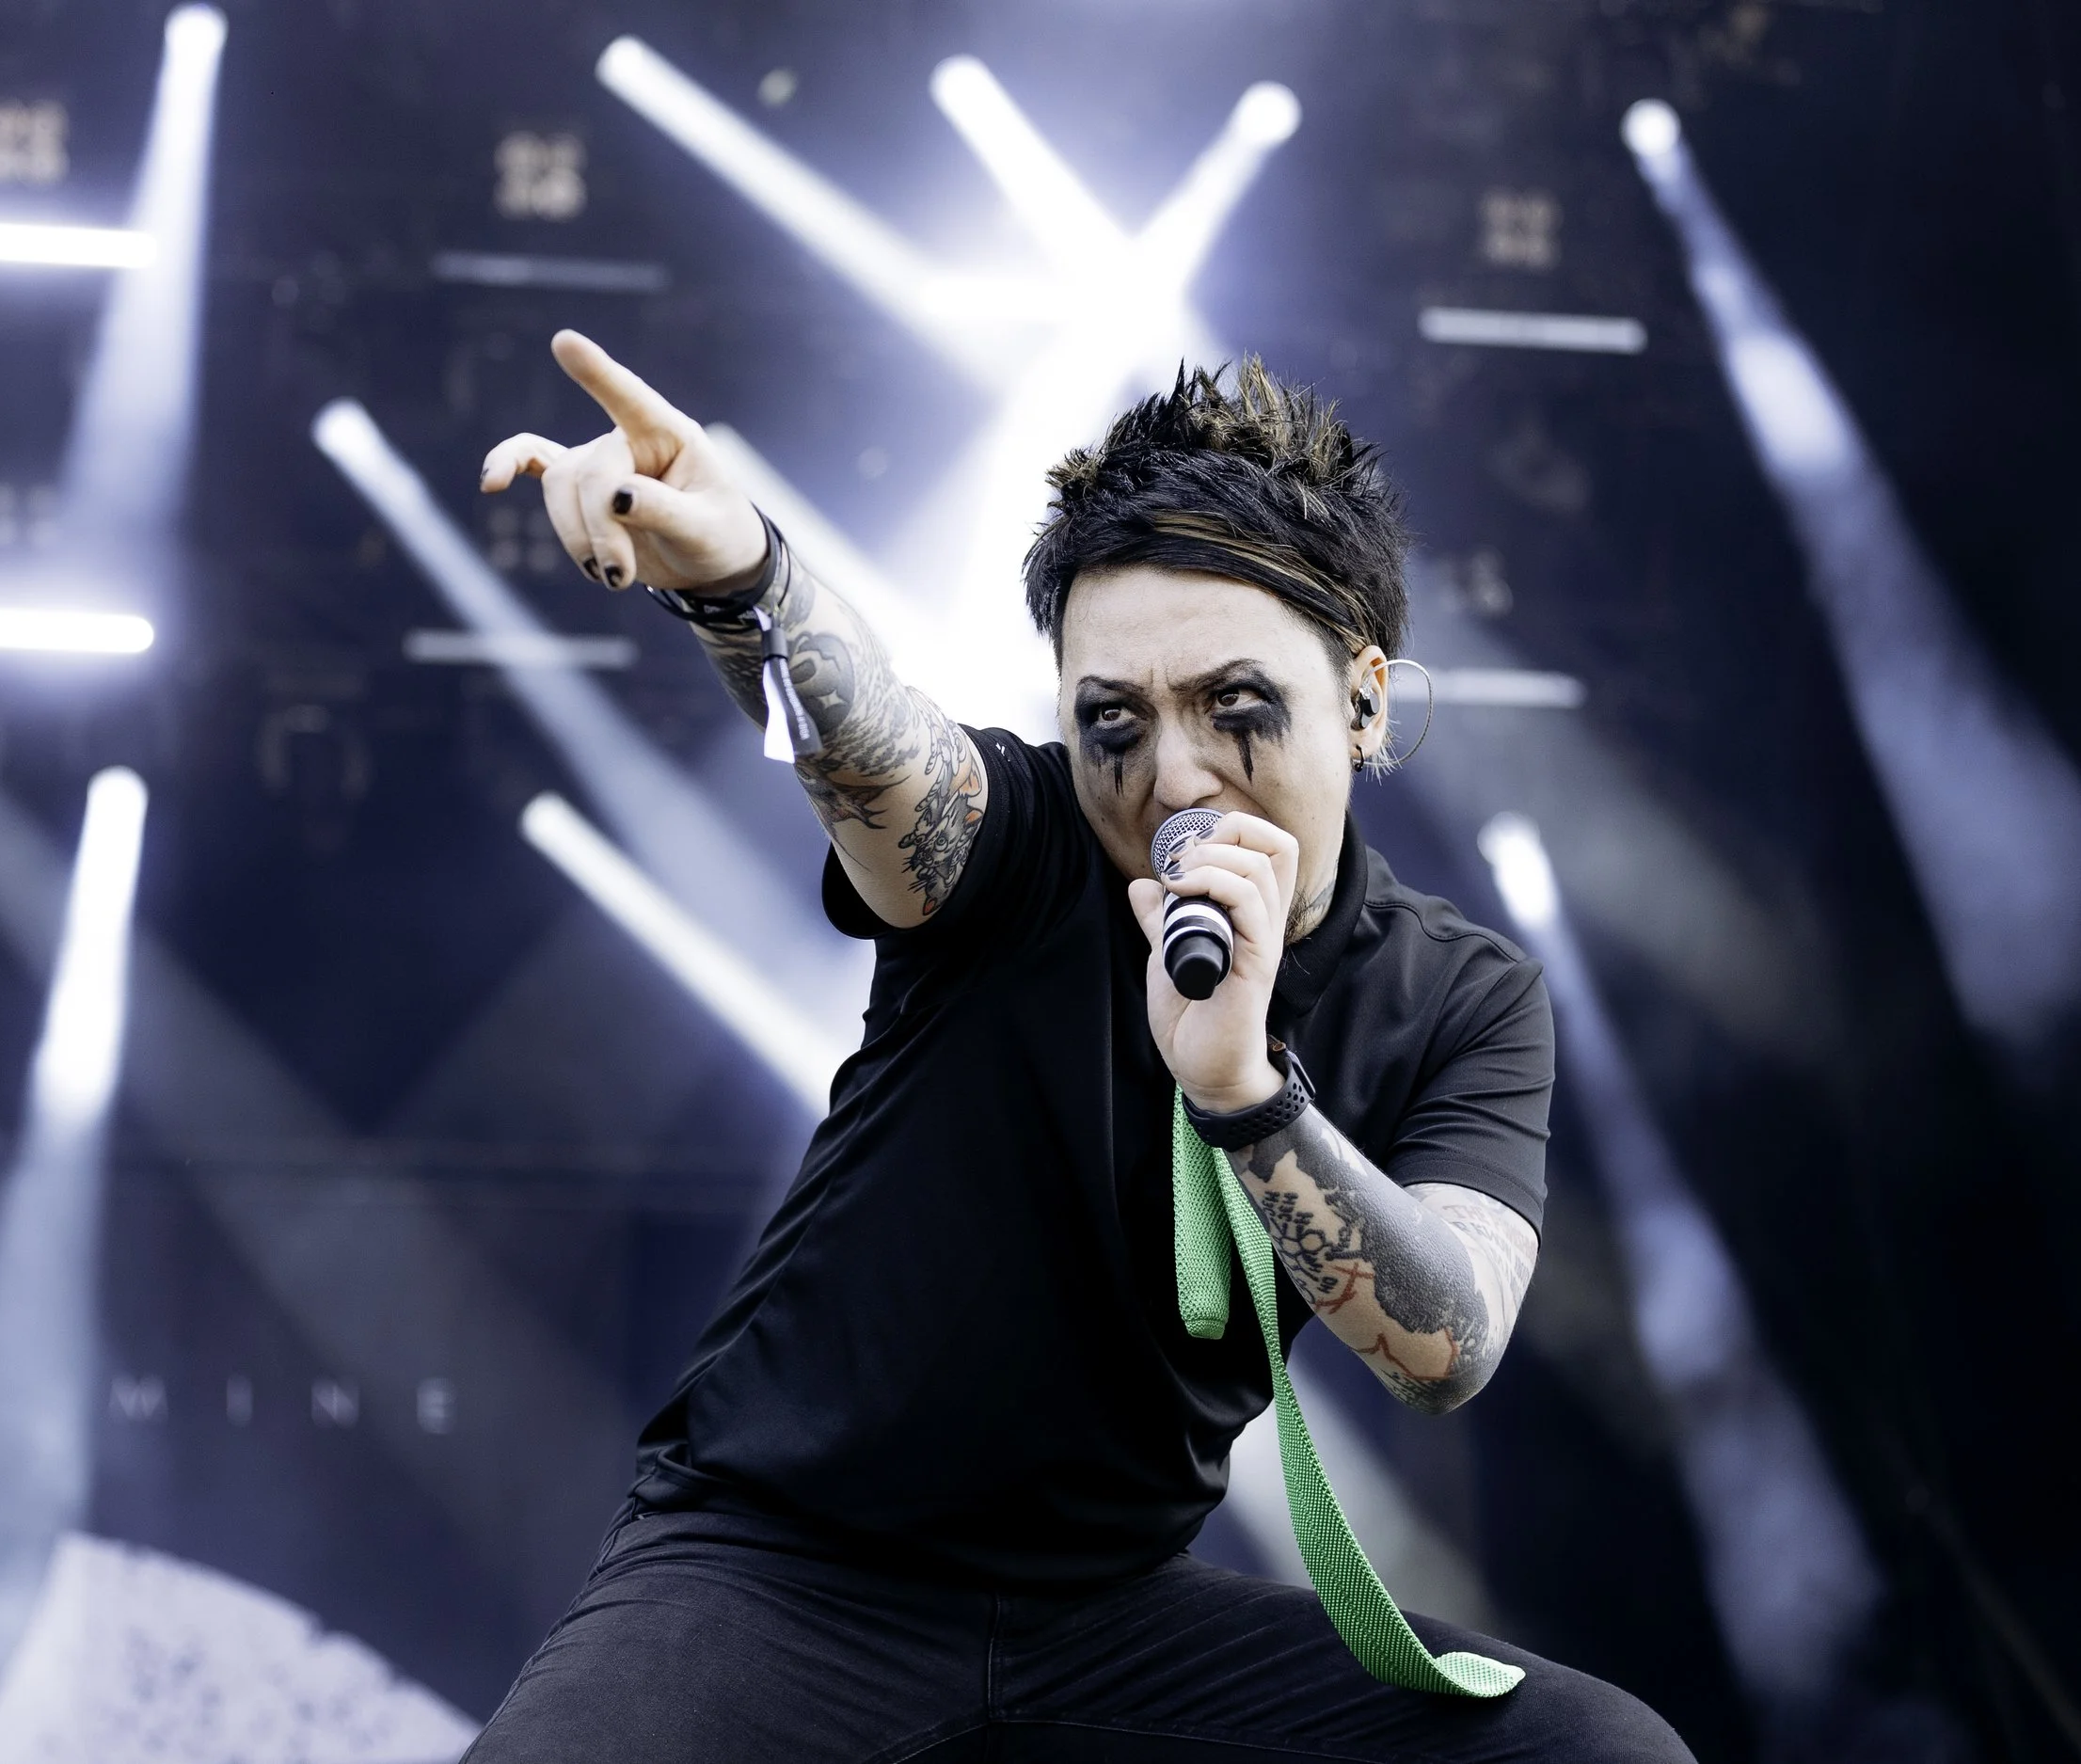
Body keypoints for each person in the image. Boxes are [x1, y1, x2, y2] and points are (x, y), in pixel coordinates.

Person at [462, 330, 1693, 1762]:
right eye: (1114, 720)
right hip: (779, 1566)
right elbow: (885, 752)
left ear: (1361, 699)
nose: (1171, 774)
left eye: (1238, 706)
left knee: (1596, 1754)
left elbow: (1446, 1345)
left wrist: (1244, 1094)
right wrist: (748, 578)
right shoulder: (1034, 839)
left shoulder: (1462, 997)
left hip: (1108, 1618)